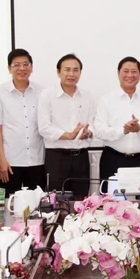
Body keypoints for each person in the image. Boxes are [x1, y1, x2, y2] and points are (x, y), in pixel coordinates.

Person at [0, 49, 46, 195]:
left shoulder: (43, 92)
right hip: (10, 162)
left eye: (26, 64)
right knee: (9, 205)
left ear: (31, 67)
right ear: (9, 69)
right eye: (17, 65)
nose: (22, 68)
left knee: (36, 206)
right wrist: (1, 160)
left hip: (37, 160)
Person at [38, 54, 96, 198]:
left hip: (81, 158)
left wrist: (88, 132)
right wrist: (68, 135)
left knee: (82, 202)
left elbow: (94, 122)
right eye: (67, 69)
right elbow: (44, 127)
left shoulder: (87, 96)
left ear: (80, 73)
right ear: (58, 72)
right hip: (57, 158)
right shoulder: (47, 95)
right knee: (57, 202)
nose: (71, 74)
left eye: (76, 70)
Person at [95, 56, 140, 181]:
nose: (130, 75)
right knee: (110, 200)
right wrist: (123, 131)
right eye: (126, 71)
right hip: (112, 159)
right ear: (118, 74)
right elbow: (99, 131)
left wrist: (139, 129)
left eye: (134, 71)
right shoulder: (107, 99)